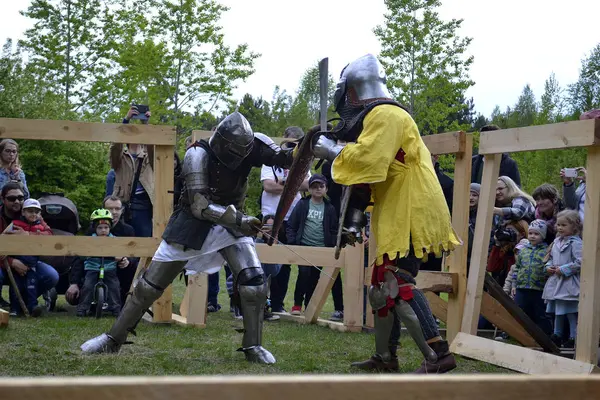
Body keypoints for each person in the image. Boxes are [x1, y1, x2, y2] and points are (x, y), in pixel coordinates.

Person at [80, 112, 294, 364]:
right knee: (149, 286)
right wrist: (240, 221)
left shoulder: (251, 144)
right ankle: (113, 338)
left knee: (254, 282)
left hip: (232, 223)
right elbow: (199, 205)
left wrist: (311, 145)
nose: (239, 157)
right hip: (194, 224)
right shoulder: (197, 155)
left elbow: (287, 159)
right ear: (222, 143)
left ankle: (253, 345)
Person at [310, 54, 461, 373]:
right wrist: (351, 223)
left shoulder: (386, 114)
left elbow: (368, 161)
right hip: (397, 206)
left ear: (350, 92)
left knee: (396, 283)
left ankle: (438, 355)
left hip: (412, 207)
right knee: (381, 286)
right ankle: (385, 358)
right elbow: (367, 180)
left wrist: (331, 150)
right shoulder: (379, 117)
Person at [261, 126, 310, 313]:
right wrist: (294, 185)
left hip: (292, 217)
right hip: (271, 216)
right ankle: (262, 301)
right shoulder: (270, 162)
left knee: (286, 263)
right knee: (267, 260)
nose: (292, 148)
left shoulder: (302, 162)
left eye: (297, 144)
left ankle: (277, 304)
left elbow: (308, 184)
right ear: (284, 141)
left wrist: (283, 184)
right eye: (290, 144)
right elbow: (268, 186)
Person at [286, 174, 342, 321]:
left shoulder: (330, 208)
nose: (318, 189)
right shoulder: (303, 204)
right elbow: (291, 224)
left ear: (326, 189)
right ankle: (297, 304)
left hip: (321, 249)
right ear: (309, 189)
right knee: (303, 274)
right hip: (303, 246)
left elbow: (334, 229)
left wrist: (332, 245)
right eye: (314, 186)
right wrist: (293, 242)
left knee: (314, 278)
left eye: (321, 186)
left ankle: (309, 305)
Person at [0, 183, 59, 310]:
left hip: (29, 261)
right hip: (3, 261)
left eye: (20, 198)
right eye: (11, 198)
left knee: (51, 275)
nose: (17, 201)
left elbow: (49, 235)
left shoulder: (32, 212)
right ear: (3, 199)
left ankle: (26, 302)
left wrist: (27, 234)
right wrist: (12, 262)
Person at [110, 105, 154, 237]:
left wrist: (145, 124)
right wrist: (126, 120)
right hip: (122, 203)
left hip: (143, 204)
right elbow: (115, 146)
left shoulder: (148, 157)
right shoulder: (120, 158)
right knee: (121, 239)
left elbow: (152, 145)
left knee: (144, 239)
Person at [542, 210, 583, 349]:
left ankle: (574, 337)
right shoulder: (556, 242)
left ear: (574, 227)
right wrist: (548, 267)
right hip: (556, 281)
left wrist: (564, 269)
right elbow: (550, 258)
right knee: (557, 310)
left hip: (568, 282)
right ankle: (557, 335)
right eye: (558, 225)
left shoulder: (576, 243)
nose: (560, 228)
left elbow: (580, 261)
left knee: (570, 311)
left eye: (564, 225)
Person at [7, 199, 52, 316]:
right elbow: (5, 238)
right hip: (18, 261)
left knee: (32, 285)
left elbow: (50, 235)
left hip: (32, 264)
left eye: (37, 212)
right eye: (30, 211)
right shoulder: (16, 224)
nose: (34, 214)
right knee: (16, 287)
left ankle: (32, 307)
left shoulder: (41, 227)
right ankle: (15, 309)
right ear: (23, 212)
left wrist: (30, 235)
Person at [77, 209, 122, 317]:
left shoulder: (114, 239)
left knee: (114, 286)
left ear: (110, 228)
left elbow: (120, 252)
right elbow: (82, 254)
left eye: (106, 228)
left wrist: (119, 257)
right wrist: (86, 254)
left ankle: (116, 309)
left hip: (109, 267)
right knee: (88, 286)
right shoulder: (90, 240)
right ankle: (82, 308)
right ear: (94, 228)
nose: (103, 230)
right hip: (92, 266)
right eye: (100, 228)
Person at [513, 220, 552, 335]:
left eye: (536, 234)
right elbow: (517, 267)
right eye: (530, 233)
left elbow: (548, 268)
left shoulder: (546, 251)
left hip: (538, 288)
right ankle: (516, 333)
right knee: (519, 311)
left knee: (540, 313)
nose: (533, 236)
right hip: (522, 286)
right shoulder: (523, 250)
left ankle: (546, 335)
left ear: (543, 236)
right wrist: (514, 284)